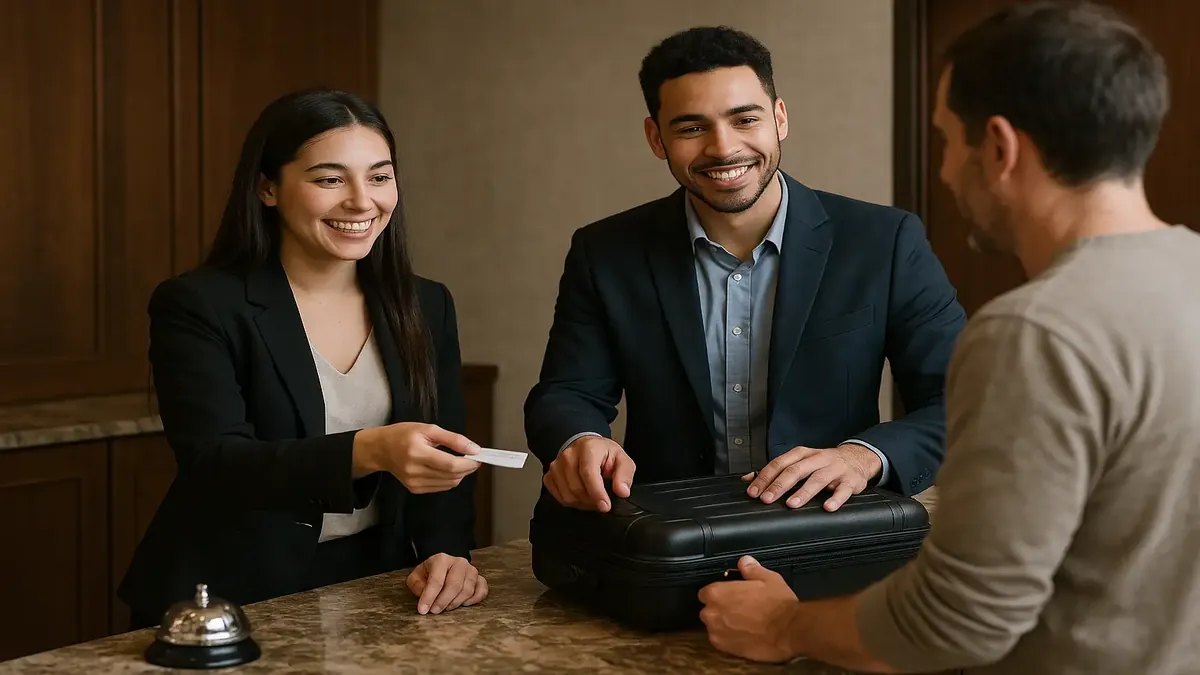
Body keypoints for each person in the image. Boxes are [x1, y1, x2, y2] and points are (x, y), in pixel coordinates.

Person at [697, 3, 1200, 673]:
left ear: (998, 147)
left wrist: (786, 622)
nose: (944, 173)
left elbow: (959, 618)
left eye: (946, 142)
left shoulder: (1034, 332)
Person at [524, 26, 965, 513]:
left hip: (829, 536)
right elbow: (566, 392)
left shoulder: (885, 241)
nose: (723, 147)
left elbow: (962, 402)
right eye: (691, 128)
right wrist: (579, 439)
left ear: (780, 118)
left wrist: (863, 458)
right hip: (671, 538)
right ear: (656, 138)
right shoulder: (604, 251)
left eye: (744, 119)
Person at [118, 89, 488, 627]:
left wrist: (449, 553)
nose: (362, 201)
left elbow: (446, 453)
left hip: (379, 584)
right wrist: (371, 450)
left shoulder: (427, 304)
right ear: (268, 187)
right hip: (230, 597)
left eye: (380, 177)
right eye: (330, 179)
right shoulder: (199, 304)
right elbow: (216, 463)